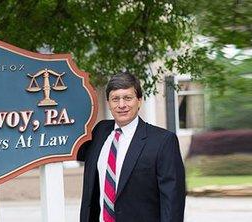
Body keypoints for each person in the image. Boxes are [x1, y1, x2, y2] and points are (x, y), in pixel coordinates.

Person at [77, 73, 186, 222]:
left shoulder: (163, 141)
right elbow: (72, 149)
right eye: (115, 99)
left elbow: (173, 203)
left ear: (139, 101)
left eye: (128, 98)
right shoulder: (100, 132)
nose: (121, 105)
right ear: (108, 103)